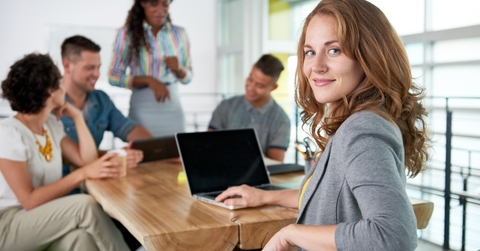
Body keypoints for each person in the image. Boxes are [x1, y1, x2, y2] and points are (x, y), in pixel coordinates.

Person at [215, 0, 430, 250]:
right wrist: (264, 196)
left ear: (369, 56)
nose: (316, 67)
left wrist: (291, 233)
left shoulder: (363, 130)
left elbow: (394, 236)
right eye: (310, 52)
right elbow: (322, 198)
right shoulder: (354, 123)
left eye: (334, 50)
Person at [0, 53, 129, 251]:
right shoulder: (9, 132)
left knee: (80, 239)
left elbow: (87, 160)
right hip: (9, 224)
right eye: (60, 82)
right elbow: (29, 200)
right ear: (51, 90)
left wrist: (77, 117)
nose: (64, 88)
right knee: (85, 205)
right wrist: (83, 174)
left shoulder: (51, 125)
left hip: (41, 219)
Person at [61, 35, 152, 176]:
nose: (96, 74)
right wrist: (118, 156)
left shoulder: (101, 99)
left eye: (98, 68)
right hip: (64, 185)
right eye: (89, 68)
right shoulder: (50, 102)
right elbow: (64, 155)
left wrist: (155, 147)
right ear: (67, 65)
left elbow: (128, 128)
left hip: (97, 181)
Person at [108, 0, 193, 137]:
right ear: (142, 3)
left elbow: (188, 78)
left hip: (173, 108)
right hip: (143, 108)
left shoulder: (179, 33)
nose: (161, 10)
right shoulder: (126, 33)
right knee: (145, 153)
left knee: (176, 155)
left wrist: (180, 69)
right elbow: (113, 76)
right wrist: (148, 80)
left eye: (165, 4)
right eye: (154, 4)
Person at [208, 54, 290, 162]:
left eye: (260, 85)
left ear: (273, 87)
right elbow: (208, 146)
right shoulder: (226, 106)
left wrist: (245, 151)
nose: (251, 87)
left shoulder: (281, 120)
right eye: (250, 79)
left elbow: (276, 164)